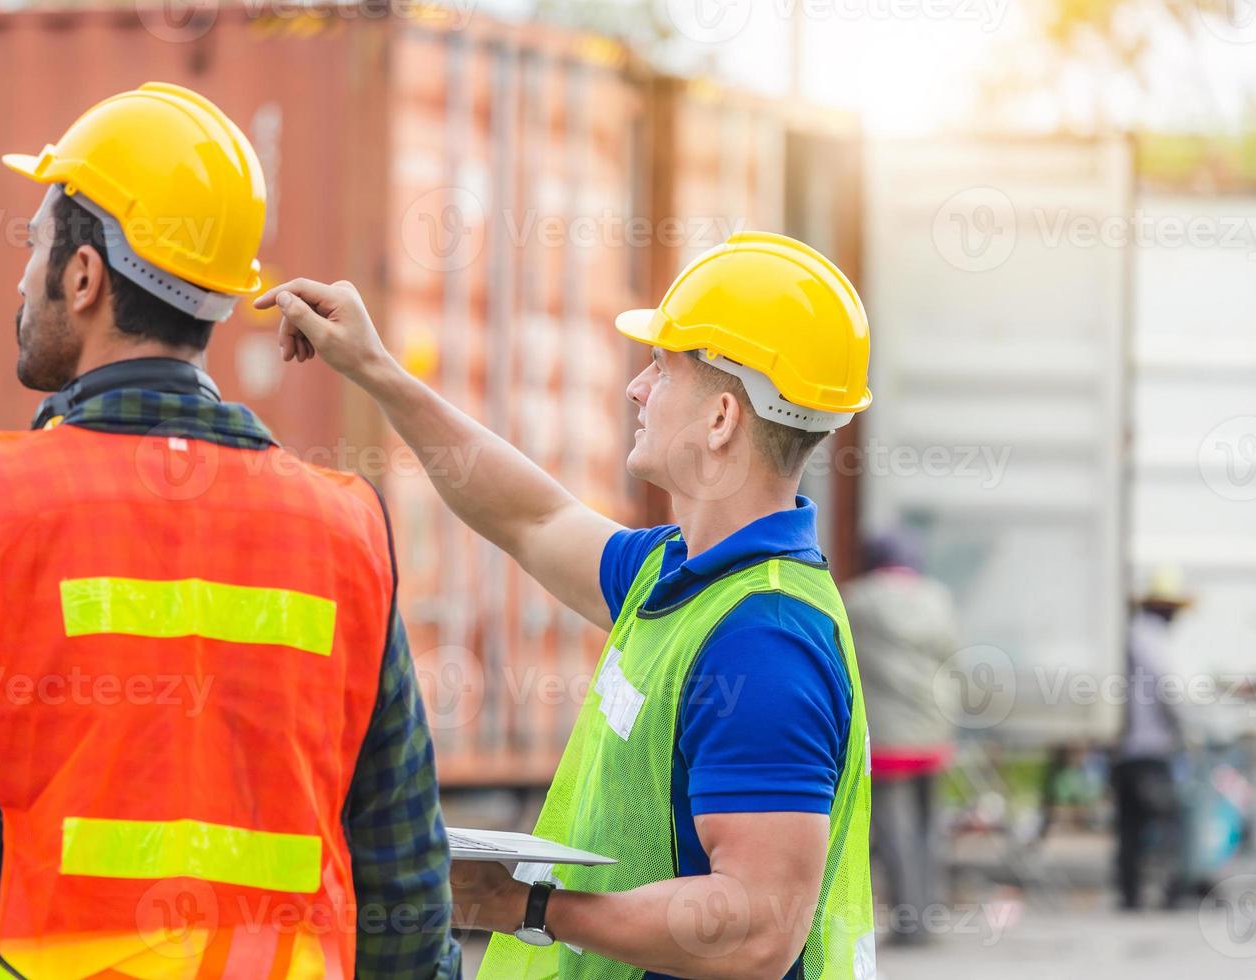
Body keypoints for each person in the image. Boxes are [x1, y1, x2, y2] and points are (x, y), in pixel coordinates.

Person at [0, 83, 459, 979]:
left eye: (33, 248)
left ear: (83, 277)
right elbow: (404, 879)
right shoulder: (344, 532)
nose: (20, 277)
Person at [263, 232, 876, 979]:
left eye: (661, 366)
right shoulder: (675, 576)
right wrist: (376, 370)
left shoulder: (763, 641)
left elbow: (754, 928)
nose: (636, 389)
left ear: (720, 419)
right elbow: (532, 518)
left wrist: (528, 906)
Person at [841, 531, 957, 945]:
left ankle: (908, 925)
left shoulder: (857, 601)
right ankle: (928, 916)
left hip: (888, 735)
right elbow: (951, 655)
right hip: (932, 729)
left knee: (894, 832)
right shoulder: (938, 599)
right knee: (930, 829)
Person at [1111, 567, 1194, 911]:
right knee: (1166, 820)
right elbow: (1167, 690)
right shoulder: (1152, 639)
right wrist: (1184, 730)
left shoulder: (1127, 635)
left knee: (1129, 825)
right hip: (1150, 748)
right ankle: (1169, 893)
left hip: (1122, 749)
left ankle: (1130, 895)